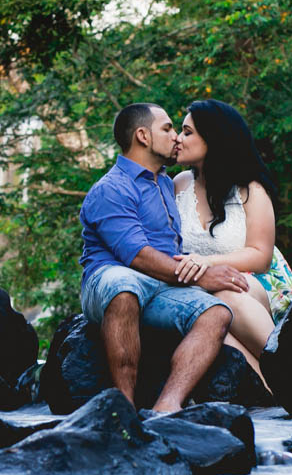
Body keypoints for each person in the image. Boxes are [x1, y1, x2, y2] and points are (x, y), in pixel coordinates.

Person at [79, 102, 249, 412]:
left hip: (159, 287)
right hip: (109, 280)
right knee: (124, 285)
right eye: (168, 128)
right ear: (143, 136)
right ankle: (124, 409)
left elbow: (171, 252)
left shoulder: (165, 184)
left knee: (217, 313)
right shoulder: (111, 189)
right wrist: (202, 275)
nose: (176, 136)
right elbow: (138, 256)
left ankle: (167, 405)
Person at [171, 99, 292, 387]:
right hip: (203, 291)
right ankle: (274, 391)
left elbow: (260, 256)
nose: (178, 139)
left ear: (214, 138)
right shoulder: (178, 184)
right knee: (212, 321)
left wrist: (207, 263)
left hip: (259, 284)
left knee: (225, 296)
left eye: (188, 132)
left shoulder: (250, 189)